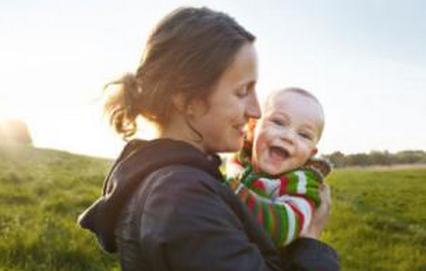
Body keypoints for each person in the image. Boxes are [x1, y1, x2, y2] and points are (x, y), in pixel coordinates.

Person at [78, 7, 339, 271]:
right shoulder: (182, 199)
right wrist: (311, 243)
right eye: (242, 92)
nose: (256, 111)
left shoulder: (183, 183)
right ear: (187, 99)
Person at [225, 87, 332, 248]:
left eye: (303, 135)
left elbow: (286, 227)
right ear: (253, 127)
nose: (288, 137)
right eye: (278, 122)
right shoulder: (238, 160)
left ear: (311, 153)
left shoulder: (301, 183)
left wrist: (241, 198)